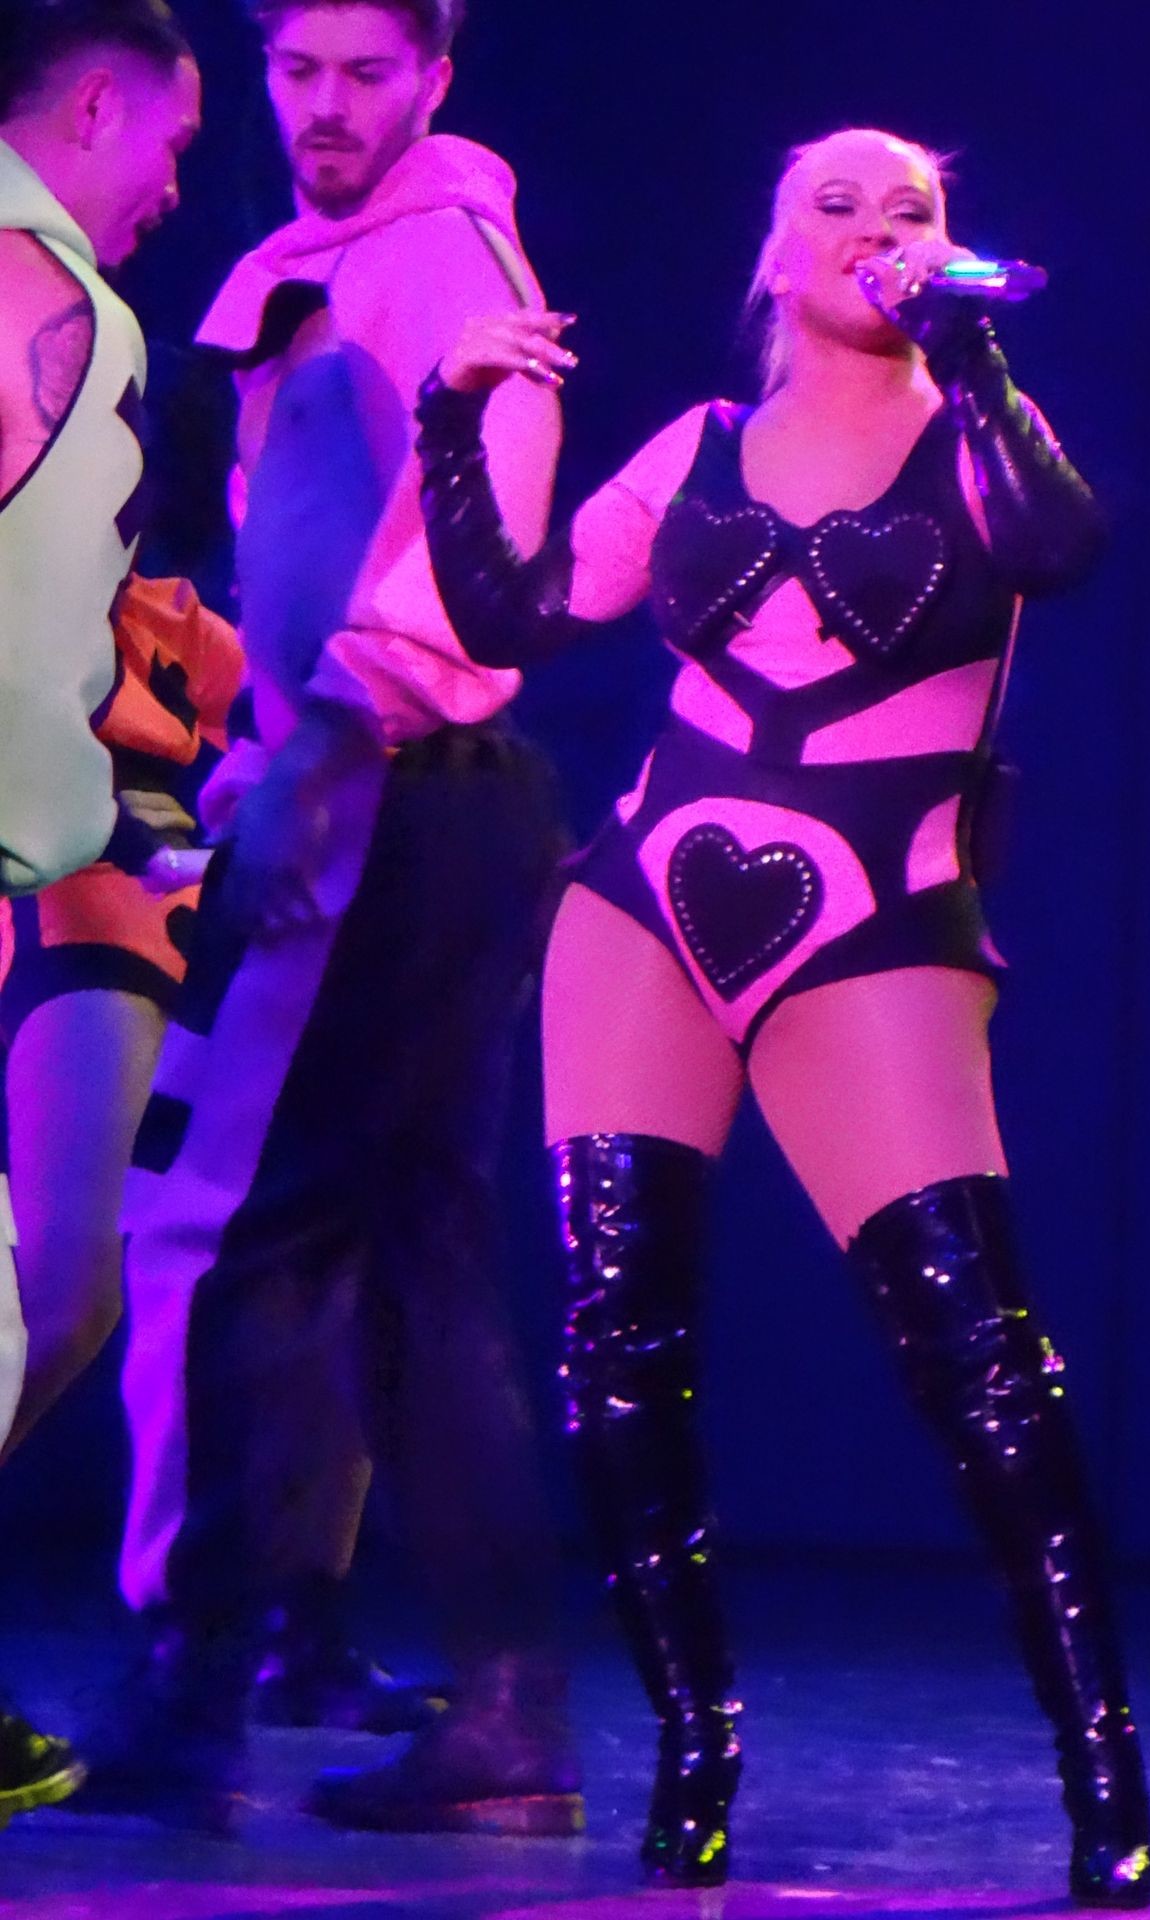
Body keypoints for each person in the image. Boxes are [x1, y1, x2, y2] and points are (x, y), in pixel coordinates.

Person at [418, 126, 1150, 1907]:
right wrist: (452, 420)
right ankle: (694, 1746)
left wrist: (974, 351)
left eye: (912, 211)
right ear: (772, 253)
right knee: (618, 1341)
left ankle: (1104, 1765)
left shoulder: (980, 439)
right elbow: (510, 615)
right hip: (645, 908)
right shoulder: (695, 448)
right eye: (835, 205)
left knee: (976, 1355)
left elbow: (1063, 545)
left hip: (872, 915)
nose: (873, 231)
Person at [80, 0, 581, 1839]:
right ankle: (499, 1703)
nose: (326, 109)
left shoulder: (444, 253)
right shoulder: (339, 258)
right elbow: (304, 529)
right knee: (404, 1258)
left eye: (369, 73)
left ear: (436, 77)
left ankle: (202, 1682)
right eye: (298, 72)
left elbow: (468, 535)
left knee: (251, 1244)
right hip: (384, 785)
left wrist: (326, 739)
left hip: (398, 791)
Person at [0, 0, 201, 1830]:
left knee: (37, 1294)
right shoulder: (43, 290)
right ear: (92, 106)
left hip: (66, 876)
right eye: (172, 142)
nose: (175, 186)